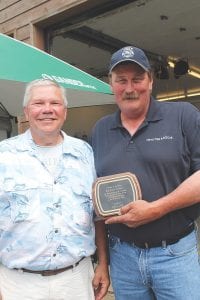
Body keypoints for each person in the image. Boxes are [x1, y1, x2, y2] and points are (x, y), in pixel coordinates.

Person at [91, 46, 200, 300]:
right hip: (123, 258)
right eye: (121, 80)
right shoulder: (100, 130)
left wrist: (156, 209)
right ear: (112, 84)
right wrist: (103, 262)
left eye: (137, 79)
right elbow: (96, 201)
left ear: (150, 81)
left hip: (174, 255)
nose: (130, 88)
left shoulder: (182, 115)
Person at [0, 79, 109, 300]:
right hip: (17, 284)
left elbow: (97, 216)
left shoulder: (85, 153)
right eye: (39, 103)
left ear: (65, 111)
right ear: (26, 111)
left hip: (76, 280)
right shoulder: (4, 155)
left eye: (55, 103)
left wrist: (103, 265)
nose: (47, 110)